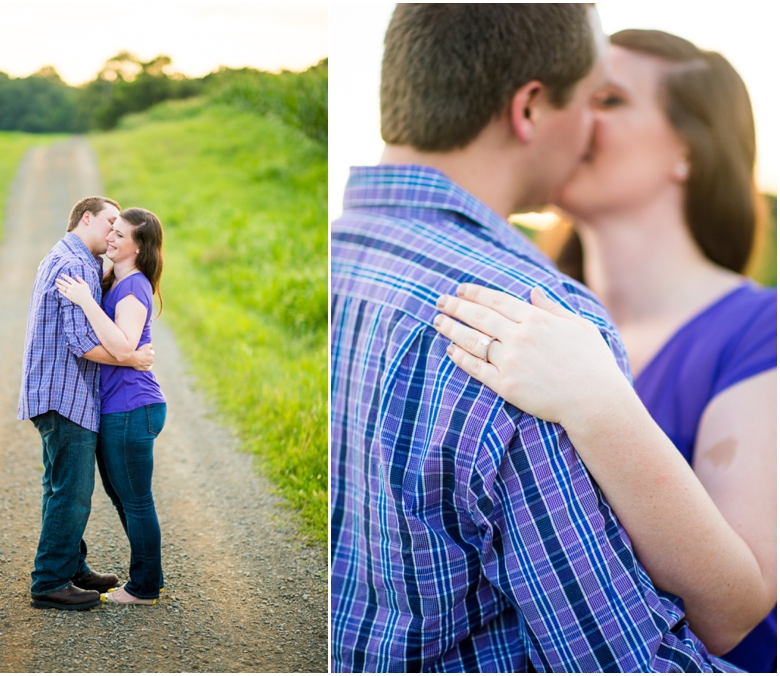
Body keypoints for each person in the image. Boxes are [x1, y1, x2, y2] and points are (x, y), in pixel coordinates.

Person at [330, 5, 740, 672]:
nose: (592, 130)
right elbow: (622, 661)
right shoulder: (530, 323)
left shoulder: (342, 253)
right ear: (530, 110)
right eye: (593, 97)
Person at [433, 29, 776, 672]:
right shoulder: (523, 307)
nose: (572, 115)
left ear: (691, 149)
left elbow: (738, 610)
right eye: (575, 93)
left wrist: (596, 402)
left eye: (609, 98)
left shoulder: (764, 326)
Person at [18, 196, 155, 611]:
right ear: (87, 218)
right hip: (66, 393)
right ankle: (51, 581)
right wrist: (133, 356)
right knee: (72, 492)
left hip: (54, 392)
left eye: (121, 228)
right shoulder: (77, 264)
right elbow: (82, 342)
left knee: (58, 487)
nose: (114, 231)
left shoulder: (67, 256)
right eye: (110, 222)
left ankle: (70, 567)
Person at [55, 207, 167, 606]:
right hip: (119, 408)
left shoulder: (134, 286)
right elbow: (125, 350)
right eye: (112, 230)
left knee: (136, 501)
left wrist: (86, 301)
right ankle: (148, 577)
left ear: (139, 248)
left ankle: (144, 588)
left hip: (132, 407)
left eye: (121, 235)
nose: (112, 238)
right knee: (127, 499)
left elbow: (122, 345)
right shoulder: (112, 281)